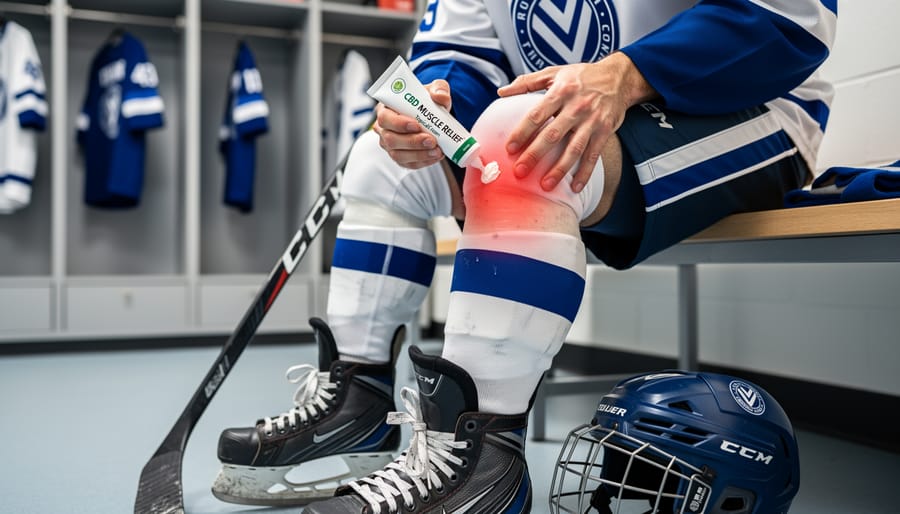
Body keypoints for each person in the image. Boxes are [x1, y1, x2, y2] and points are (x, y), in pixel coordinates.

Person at [211, 1, 837, 512]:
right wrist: (431, 107)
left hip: (749, 107)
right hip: (562, 109)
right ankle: (358, 409)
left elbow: (791, 20)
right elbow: (457, 54)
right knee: (380, 159)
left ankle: (482, 464)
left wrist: (626, 74)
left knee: (524, 154)